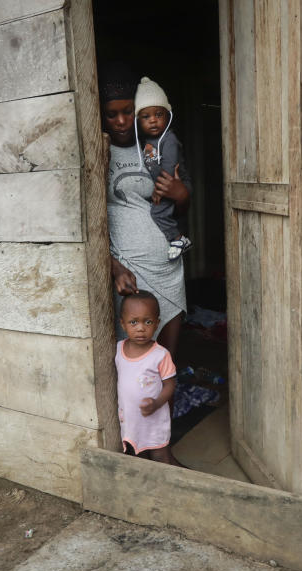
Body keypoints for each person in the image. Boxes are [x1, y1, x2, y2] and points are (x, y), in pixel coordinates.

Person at [99, 63, 189, 360]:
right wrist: (113, 266)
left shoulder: (159, 146)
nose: (122, 121)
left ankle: (166, 404)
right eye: (113, 114)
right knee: (133, 357)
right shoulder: (96, 151)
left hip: (168, 266)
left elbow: (181, 206)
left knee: (166, 359)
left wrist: (181, 193)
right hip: (129, 271)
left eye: (128, 112)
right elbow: (84, 222)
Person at [114, 291, 178, 463]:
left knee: (159, 454)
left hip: (154, 416)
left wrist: (156, 403)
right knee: (137, 453)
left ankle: (166, 486)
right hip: (131, 417)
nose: (140, 328)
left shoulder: (160, 355)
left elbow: (170, 385)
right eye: (133, 322)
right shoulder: (118, 349)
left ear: (157, 324)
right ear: (122, 324)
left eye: (147, 321)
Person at [134, 77, 193, 260]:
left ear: (168, 116)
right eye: (146, 116)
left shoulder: (169, 139)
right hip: (164, 186)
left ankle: (178, 239)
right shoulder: (146, 142)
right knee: (164, 212)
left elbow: (168, 165)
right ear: (138, 120)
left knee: (157, 212)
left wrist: (160, 191)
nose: (153, 120)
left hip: (174, 184)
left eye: (158, 115)